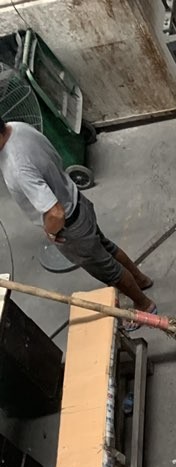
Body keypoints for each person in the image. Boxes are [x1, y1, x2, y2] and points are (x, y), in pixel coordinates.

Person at [0, 116, 156, 320]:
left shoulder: (18, 167)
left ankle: (144, 305)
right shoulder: (17, 127)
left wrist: (51, 230)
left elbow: (55, 212)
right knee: (106, 247)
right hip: (77, 202)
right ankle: (141, 280)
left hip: (71, 227)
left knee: (109, 271)